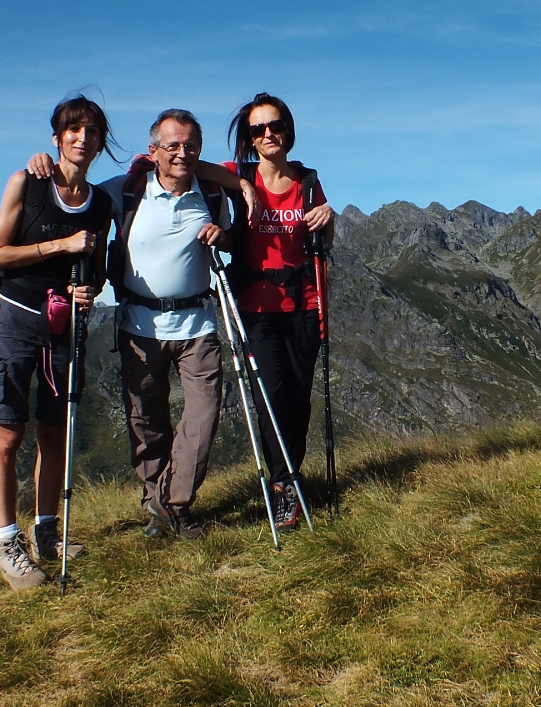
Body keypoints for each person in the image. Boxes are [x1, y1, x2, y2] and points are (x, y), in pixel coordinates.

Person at [27, 111, 248, 540]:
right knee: (146, 422)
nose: (182, 153)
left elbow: (238, 237)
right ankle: (161, 508)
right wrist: (44, 165)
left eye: (190, 146)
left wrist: (225, 234)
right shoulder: (124, 191)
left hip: (197, 324)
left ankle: (171, 504)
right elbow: (75, 195)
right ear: (153, 152)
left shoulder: (213, 195)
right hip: (138, 324)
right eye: (172, 146)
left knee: (202, 419)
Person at [0, 95, 113, 590]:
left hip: (63, 328)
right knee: (7, 436)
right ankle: (9, 541)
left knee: (53, 435)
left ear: (100, 144)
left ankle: (47, 534)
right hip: (15, 319)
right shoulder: (28, 183)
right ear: (57, 138)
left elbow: (94, 270)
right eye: (72, 130)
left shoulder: (101, 204)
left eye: (91, 132)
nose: (82, 139)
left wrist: (90, 290)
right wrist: (60, 244)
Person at [223, 92, 333, 532]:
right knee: (272, 396)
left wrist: (330, 216)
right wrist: (243, 185)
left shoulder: (307, 182)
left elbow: (326, 238)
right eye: (258, 129)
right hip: (256, 307)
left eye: (275, 126)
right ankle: (283, 484)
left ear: (287, 130)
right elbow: (192, 168)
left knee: (298, 399)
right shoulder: (238, 174)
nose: (268, 134)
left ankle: (292, 475)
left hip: (305, 305)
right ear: (249, 139)